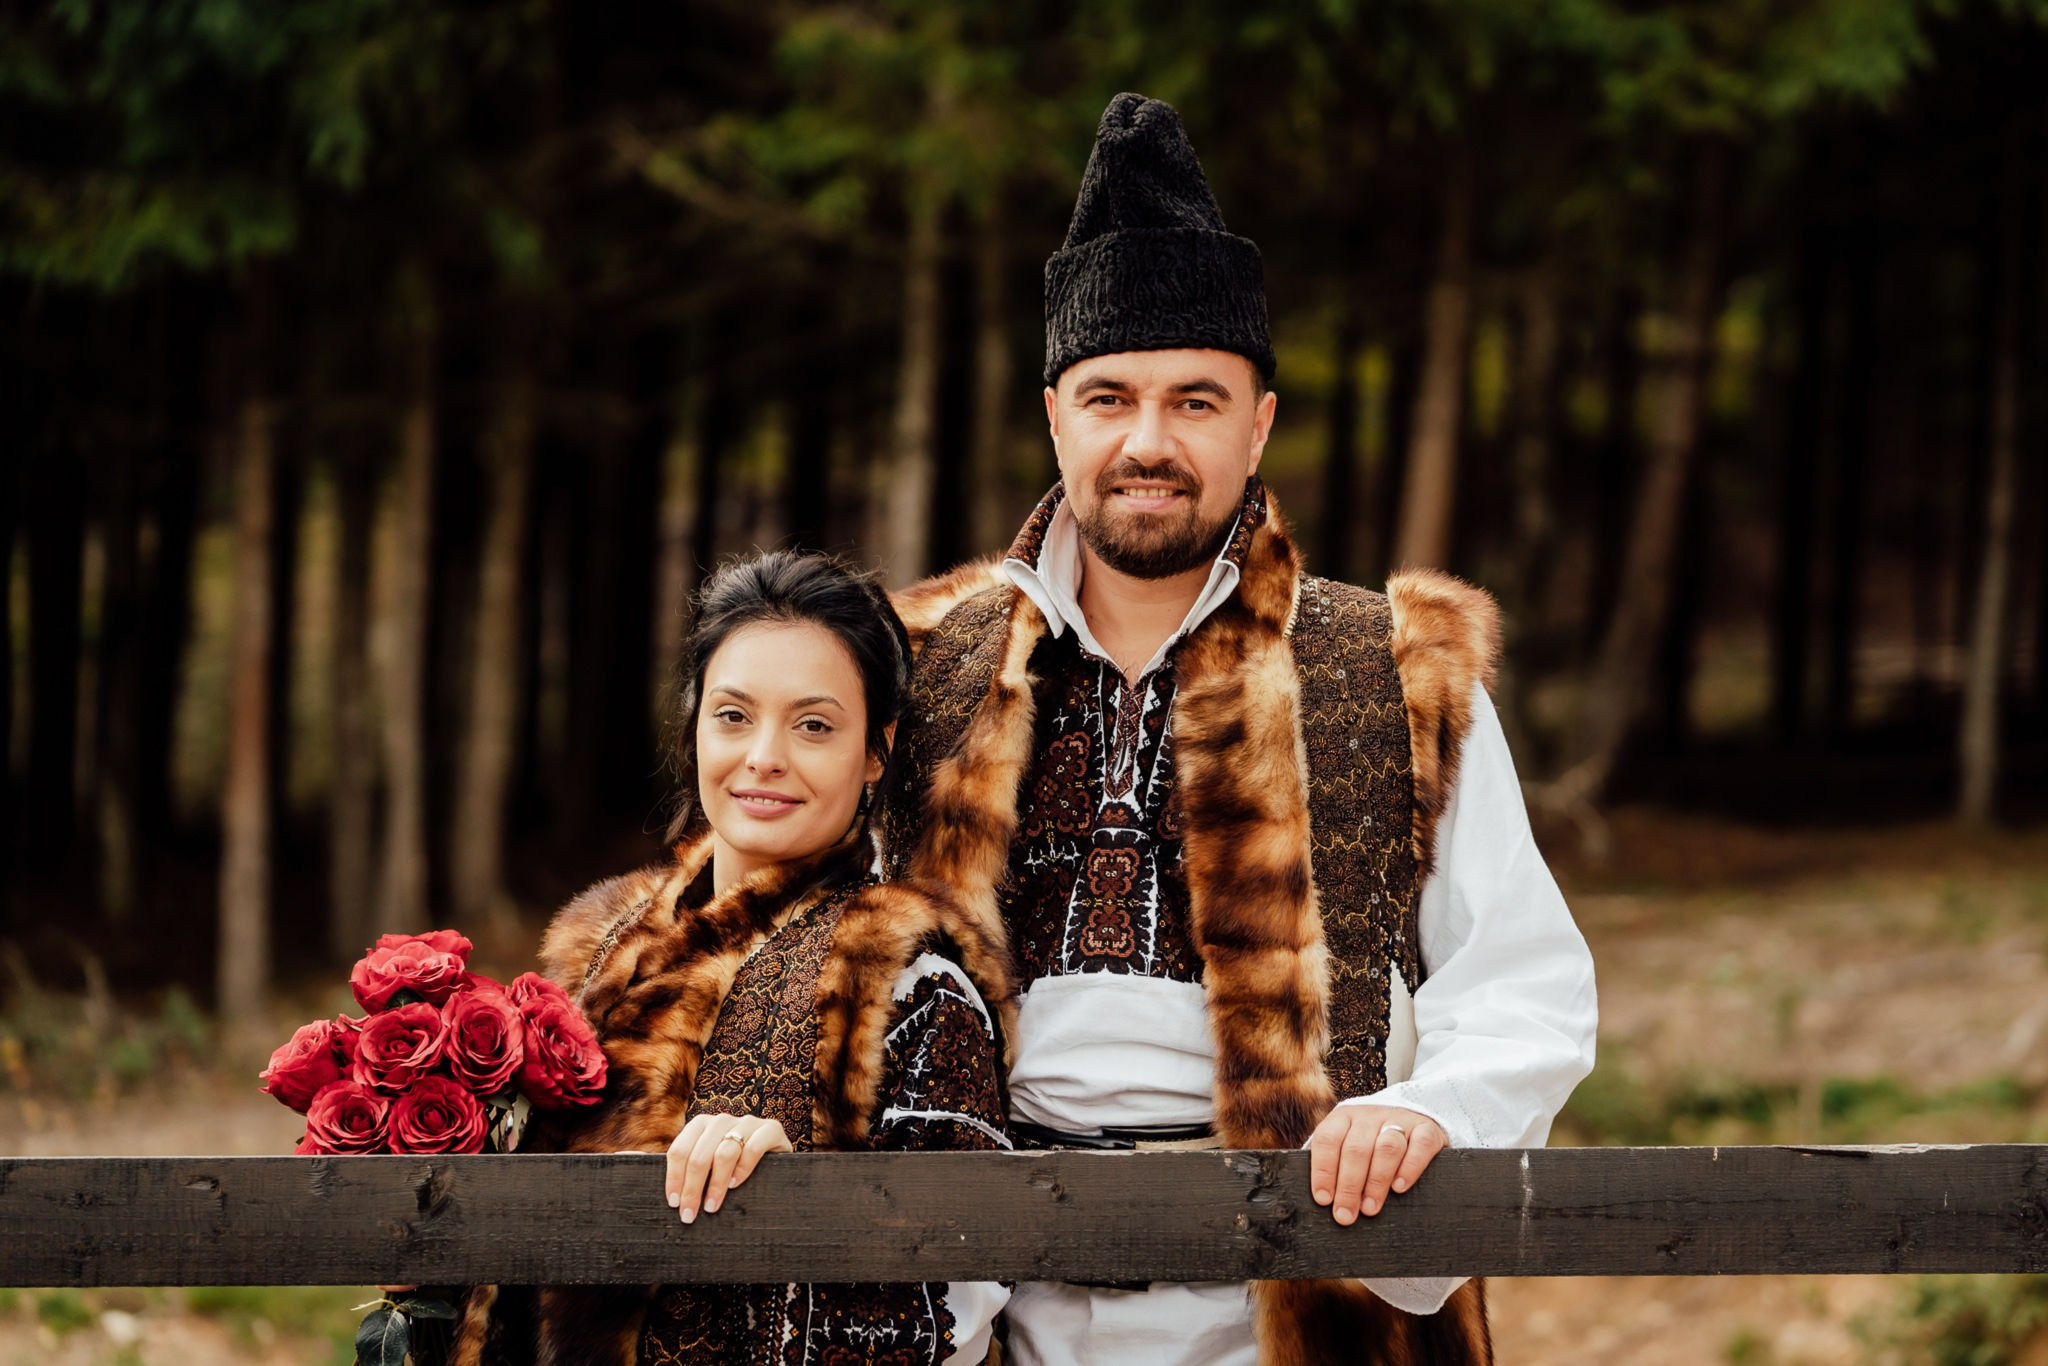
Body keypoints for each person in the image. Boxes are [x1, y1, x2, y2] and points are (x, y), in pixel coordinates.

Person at [878, 94, 1598, 1365]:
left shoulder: (1393, 669)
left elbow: (1521, 985)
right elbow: (789, 940)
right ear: (1055, 415)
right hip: (978, 1308)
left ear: (1257, 421)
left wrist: (1434, 1109)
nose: (1146, 442)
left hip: (1299, 1302)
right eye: (1109, 398)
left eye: (1195, 401)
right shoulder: (916, 663)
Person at [440, 550, 1015, 1366]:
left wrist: (796, 1205)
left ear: (877, 752)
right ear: (695, 724)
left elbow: (964, 1292)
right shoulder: (596, 942)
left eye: (814, 725)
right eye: (734, 715)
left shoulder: (910, 978)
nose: (764, 757)